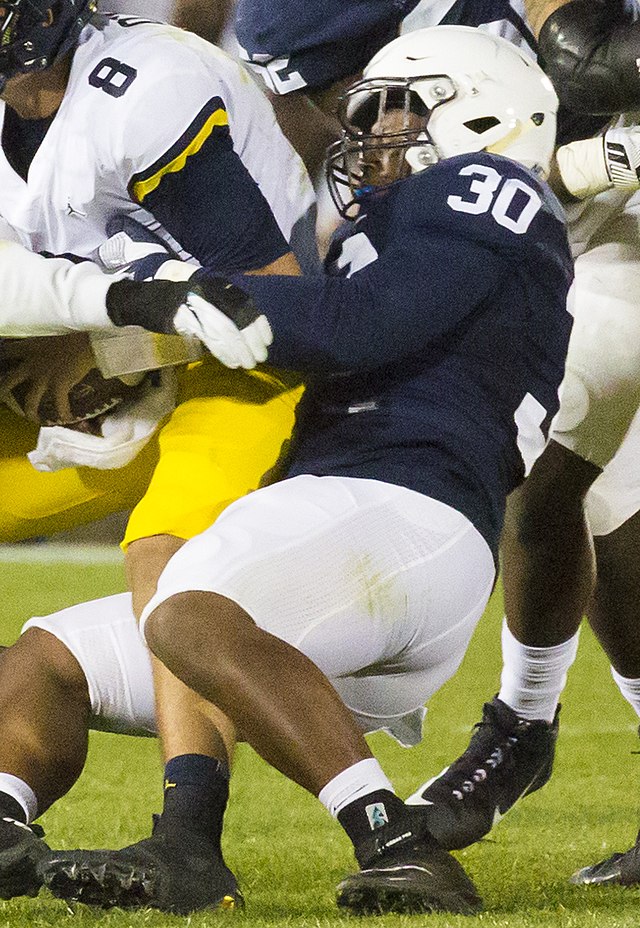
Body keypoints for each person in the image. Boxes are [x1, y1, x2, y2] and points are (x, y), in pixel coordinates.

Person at [37, 25, 573, 916]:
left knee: (185, 602)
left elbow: (363, 322)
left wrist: (169, 290)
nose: (375, 137)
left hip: (410, 514)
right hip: (329, 558)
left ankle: (392, 845)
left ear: (483, 111)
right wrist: (130, 347)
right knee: (43, 658)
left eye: (399, 111)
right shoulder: (386, 222)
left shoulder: (487, 186)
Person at [0, 0, 317, 912]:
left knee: (164, 552)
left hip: (257, 370)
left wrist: (110, 342)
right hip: (122, 372)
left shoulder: (143, 89)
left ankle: (189, 839)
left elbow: (274, 301)